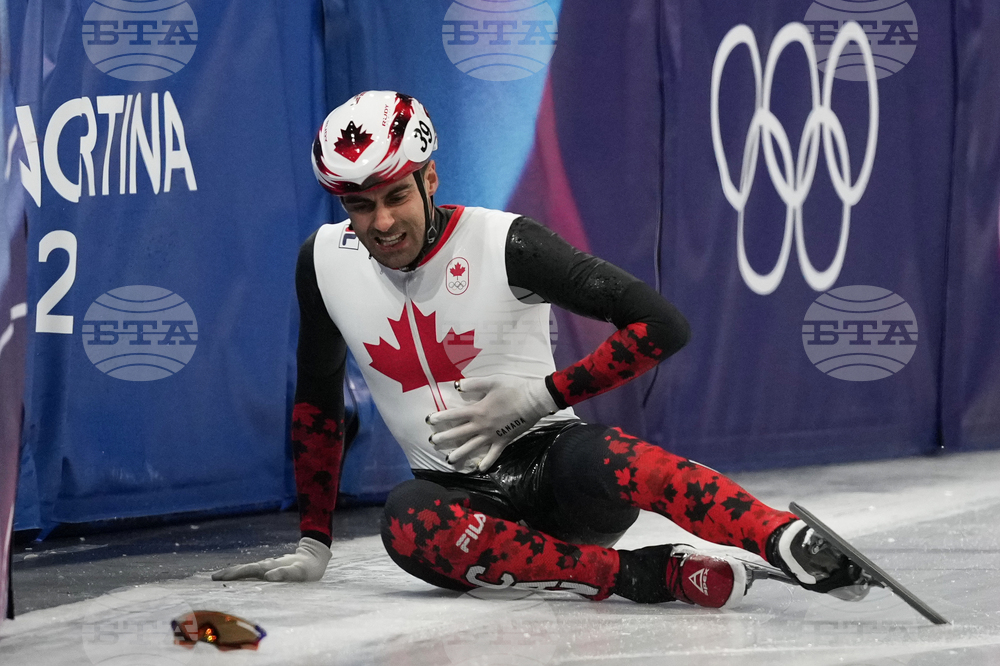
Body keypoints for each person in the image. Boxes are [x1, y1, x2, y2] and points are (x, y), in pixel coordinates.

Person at [213, 90, 868, 608]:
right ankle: (648, 576)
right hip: (464, 509)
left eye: (396, 197)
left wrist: (537, 399)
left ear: (431, 178)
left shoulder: (506, 242)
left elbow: (661, 326)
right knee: (405, 521)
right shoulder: (323, 262)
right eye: (360, 206)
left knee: (623, 459)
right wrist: (314, 542)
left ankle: (783, 540)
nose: (382, 223)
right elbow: (318, 408)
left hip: (558, 470)